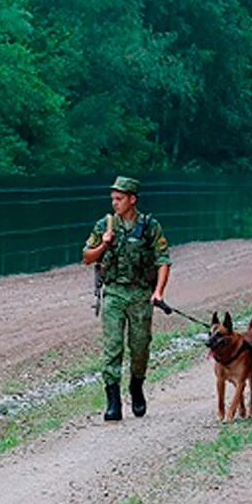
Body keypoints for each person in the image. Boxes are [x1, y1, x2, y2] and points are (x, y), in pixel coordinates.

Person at [82, 176, 171, 421]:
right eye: (113, 199)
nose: (115, 203)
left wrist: (158, 291)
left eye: (119, 199)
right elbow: (87, 257)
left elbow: (163, 260)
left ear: (133, 199)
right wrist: (103, 245)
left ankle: (136, 386)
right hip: (113, 293)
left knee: (140, 347)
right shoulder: (104, 225)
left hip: (141, 294)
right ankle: (113, 402)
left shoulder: (150, 226)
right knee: (112, 348)